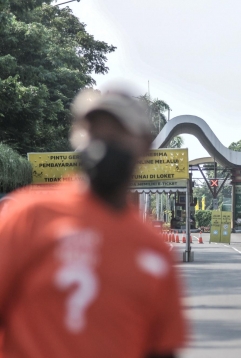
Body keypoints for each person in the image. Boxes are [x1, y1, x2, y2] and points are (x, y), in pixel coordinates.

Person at [0, 88, 189, 358]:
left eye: (117, 134)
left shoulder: (153, 247)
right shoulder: (28, 216)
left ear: (145, 145)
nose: (103, 143)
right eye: (94, 132)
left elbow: (161, 349)